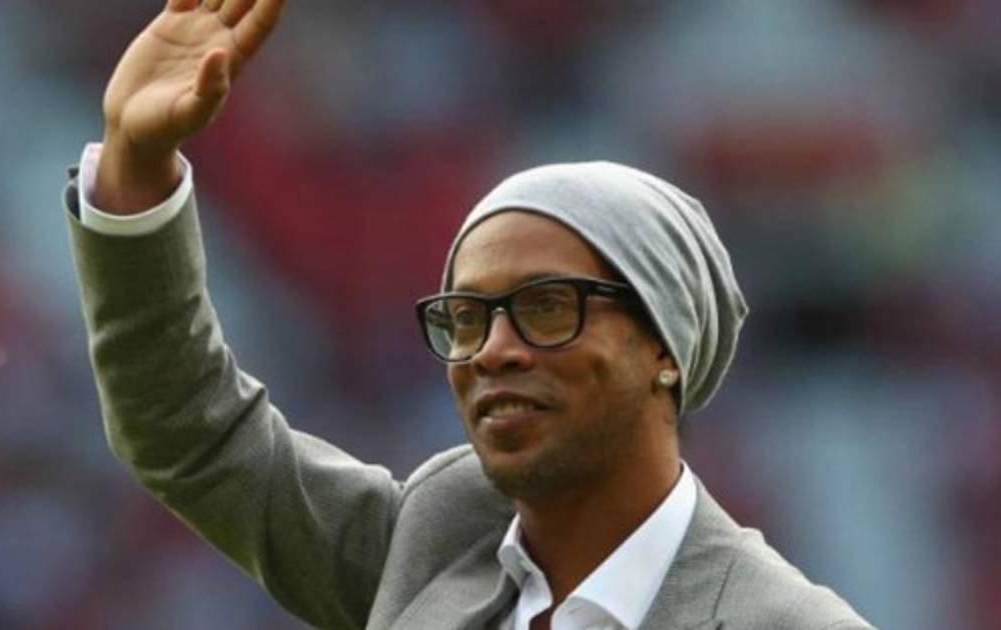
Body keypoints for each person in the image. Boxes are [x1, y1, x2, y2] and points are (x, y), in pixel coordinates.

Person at [64, 1, 874, 628]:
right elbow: (191, 436)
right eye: (467, 318)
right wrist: (137, 164)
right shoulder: (443, 544)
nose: (494, 351)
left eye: (547, 308)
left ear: (665, 345)